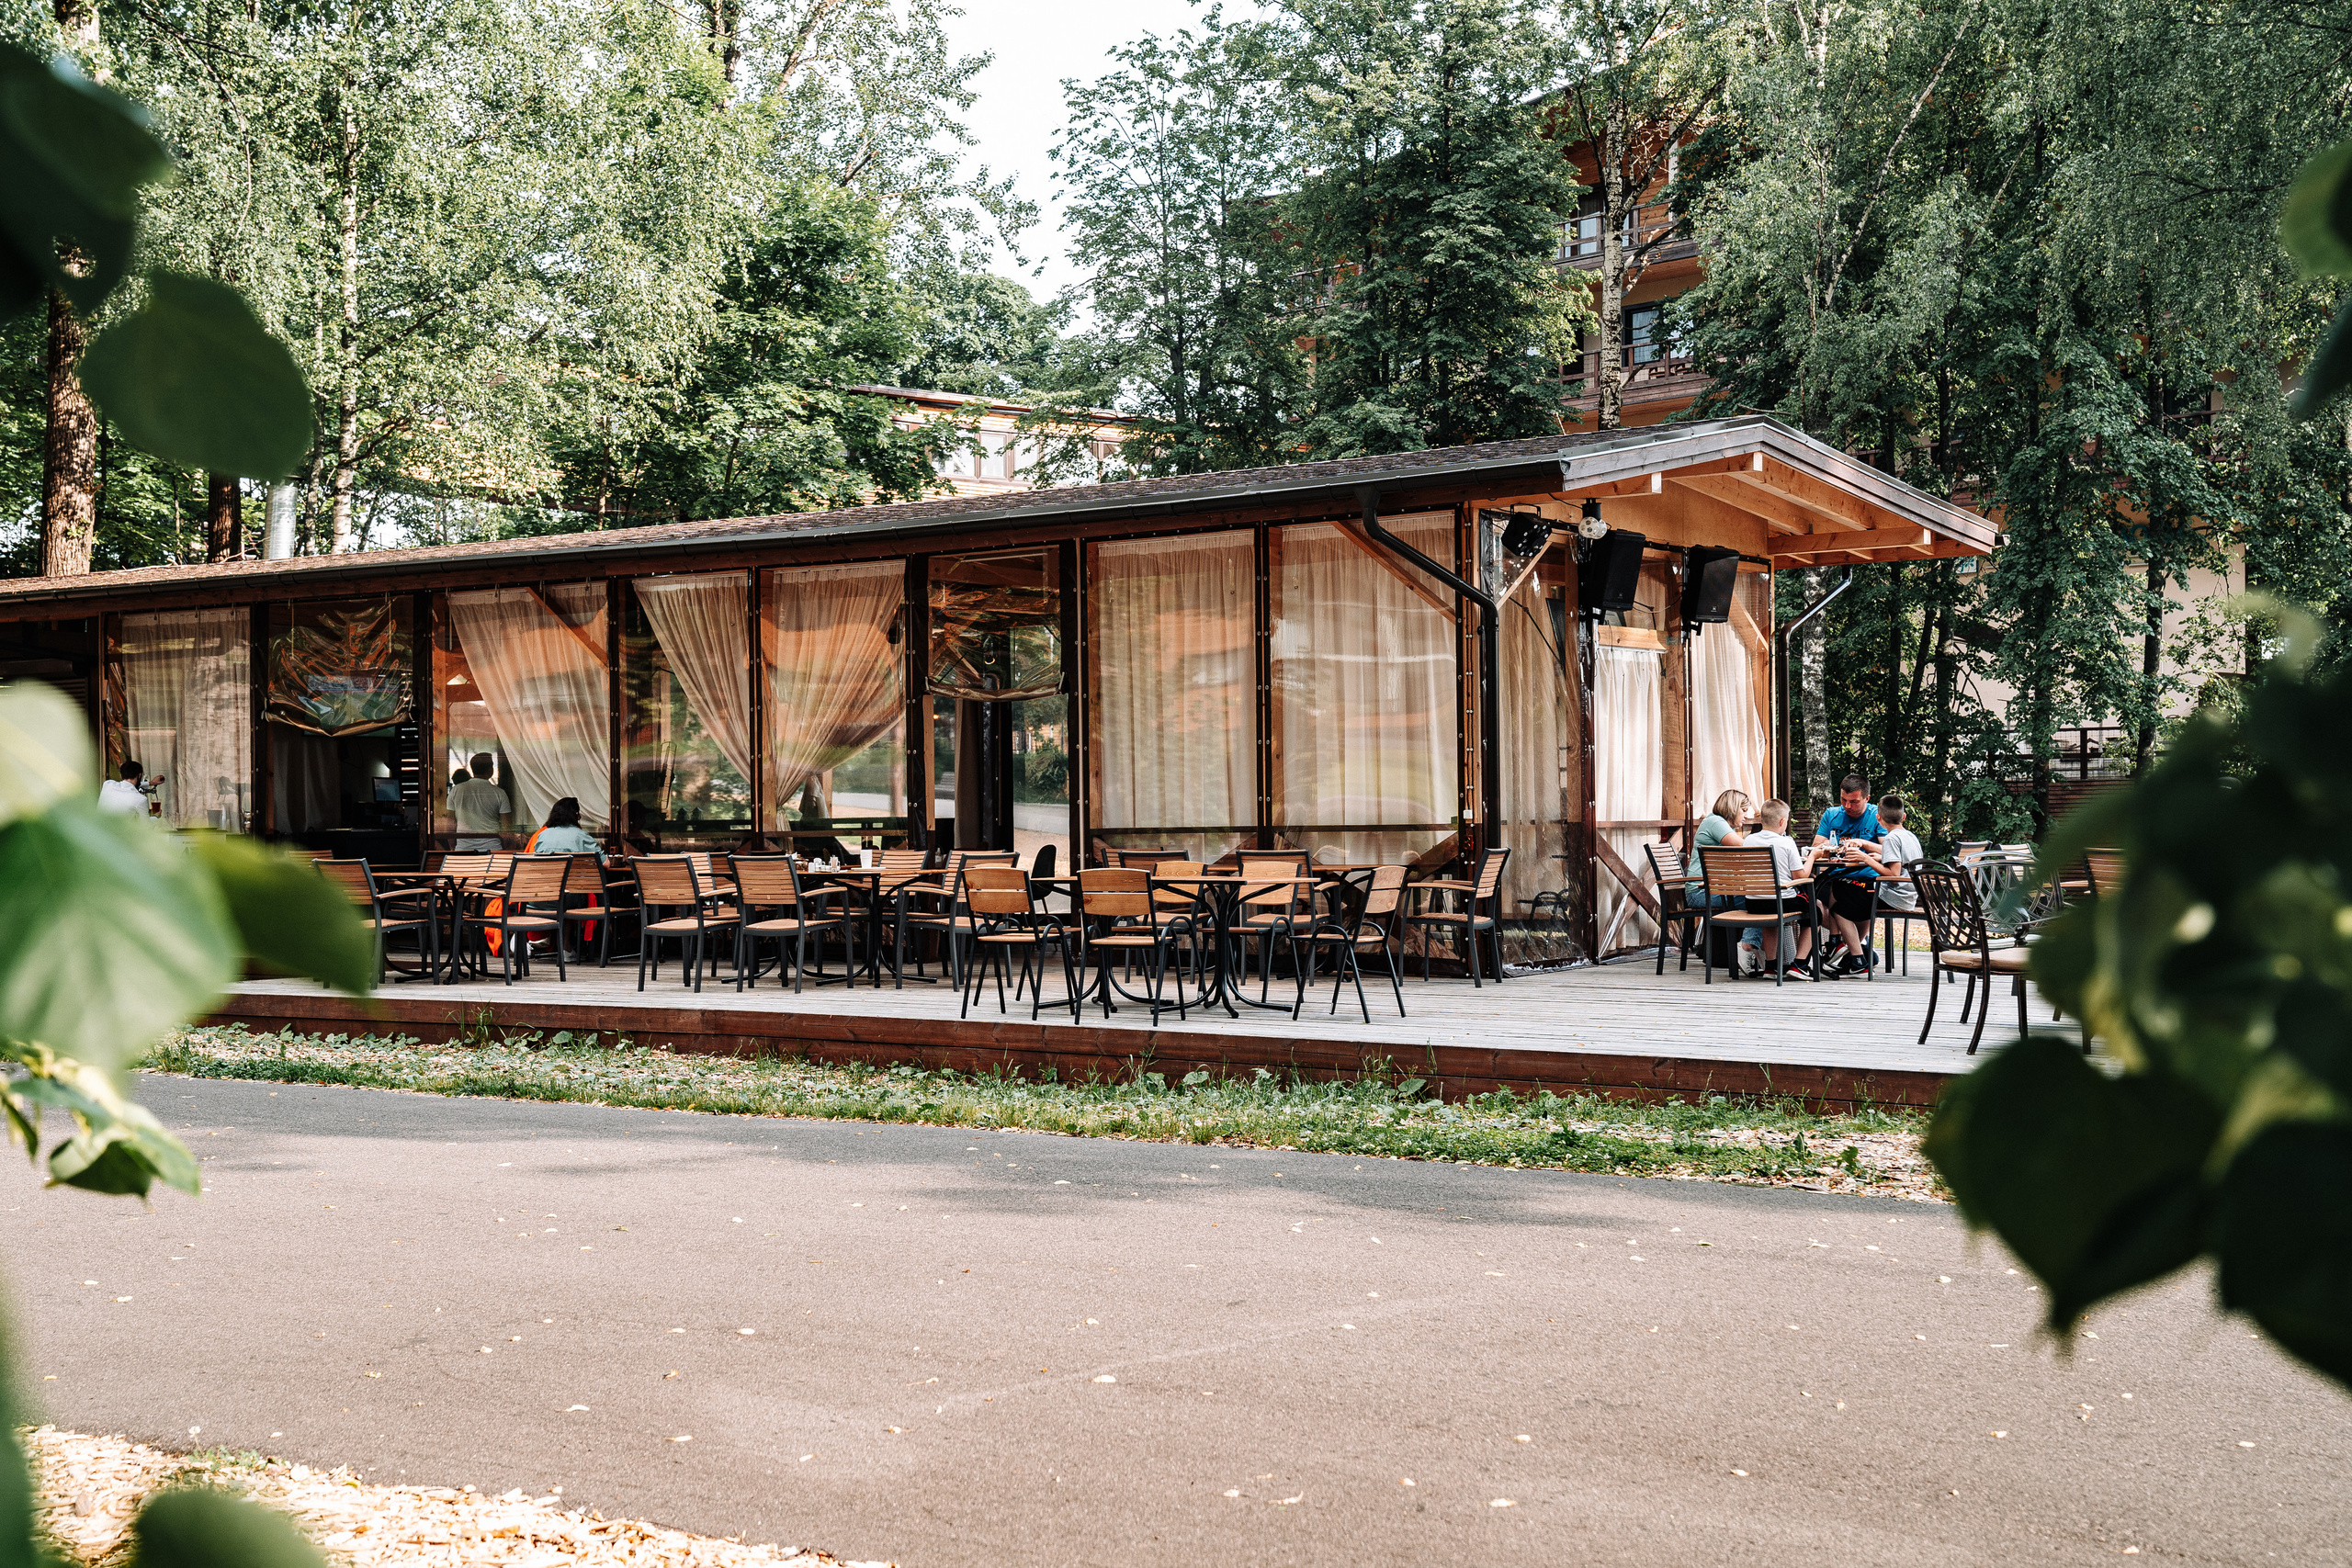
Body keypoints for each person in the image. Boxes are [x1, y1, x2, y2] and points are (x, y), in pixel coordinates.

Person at [1809, 773, 1885, 976]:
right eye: (1843, 800)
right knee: (1809, 897)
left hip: (1866, 878)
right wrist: (1829, 849)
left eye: (1854, 802)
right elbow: (1817, 845)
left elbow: (1889, 850)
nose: (1847, 806)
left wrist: (1864, 846)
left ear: (1867, 799)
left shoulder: (1877, 815)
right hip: (1835, 874)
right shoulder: (1831, 814)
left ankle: (1841, 946)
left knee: (1840, 891)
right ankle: (1847, 948)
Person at [1736, 798, 1815, 977]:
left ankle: (1771, 966)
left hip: (1754, 903)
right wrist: (1812, 857)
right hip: (1781, 901)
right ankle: (1800, 964)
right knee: (1815, 910)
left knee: (1770, 920)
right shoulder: (1786, 842)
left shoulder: (1749, 840)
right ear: (1782, 822)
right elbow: (1801, 877)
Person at [1690, 788, 1752, 912]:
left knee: (1760, 898)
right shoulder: (1716, 822)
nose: (1746, 816)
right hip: (1701, 893)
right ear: (1732, 808)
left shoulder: (1721, 824)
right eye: (1744, 810)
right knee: (1759, 900)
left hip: (1712, 890)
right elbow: (1744, 846)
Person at [1870, 795, 1925, 912]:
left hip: (1892, 898)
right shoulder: (1911, 836)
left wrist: (1865, 859)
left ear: (1878, 818)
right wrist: (1882, 858)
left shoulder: (1891, 838)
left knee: (1845, 894)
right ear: (1904, 816)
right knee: (1853, 896)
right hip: (1909, 898)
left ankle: (1843, 931)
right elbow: (1905, 862)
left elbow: (1894, 876)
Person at [448, 753, 510, 852]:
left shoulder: (456, 790)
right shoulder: (500, 793)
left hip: (464, 849)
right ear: (490, 770)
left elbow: (450, 824)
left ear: (473, 769)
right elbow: (506, 828)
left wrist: (452, 846)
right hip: (492, 849)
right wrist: (506, 847)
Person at [526, 797, 605, 862]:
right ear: (576, 815)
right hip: (573, 880)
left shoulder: (542, 835)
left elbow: (535, 861)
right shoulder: (581, 835)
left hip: (547, 880)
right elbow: (605, 863)